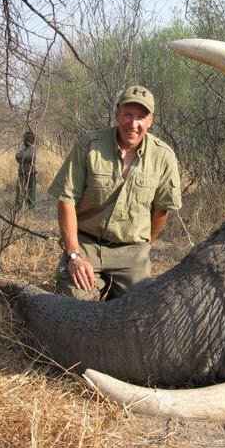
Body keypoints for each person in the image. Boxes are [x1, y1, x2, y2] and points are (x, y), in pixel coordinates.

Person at [48, 85, 182, 301]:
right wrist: (74, 255)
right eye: (128, 115)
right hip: (87, 246)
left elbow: (161, 211)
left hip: (131, 252)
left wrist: (143, 248)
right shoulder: (89, 145)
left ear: (150, 121)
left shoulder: (163, 156)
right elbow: (66, 201)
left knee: (142, 311)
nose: (133, 124)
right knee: (76, 305)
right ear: (117, 114)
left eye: (141, 117)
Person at [15, 130, 37, 210]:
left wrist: (23, 157)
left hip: (31, 172)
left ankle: (30, 206)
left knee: (31, 191)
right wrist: (23, 157)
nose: (23, 141)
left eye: (24, 139)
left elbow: (24, 156)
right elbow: (17, 156)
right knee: (19, 189)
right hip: (21, 172)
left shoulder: (33, 149)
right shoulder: (24, 149)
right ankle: (18, 206)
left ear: (28, 140)